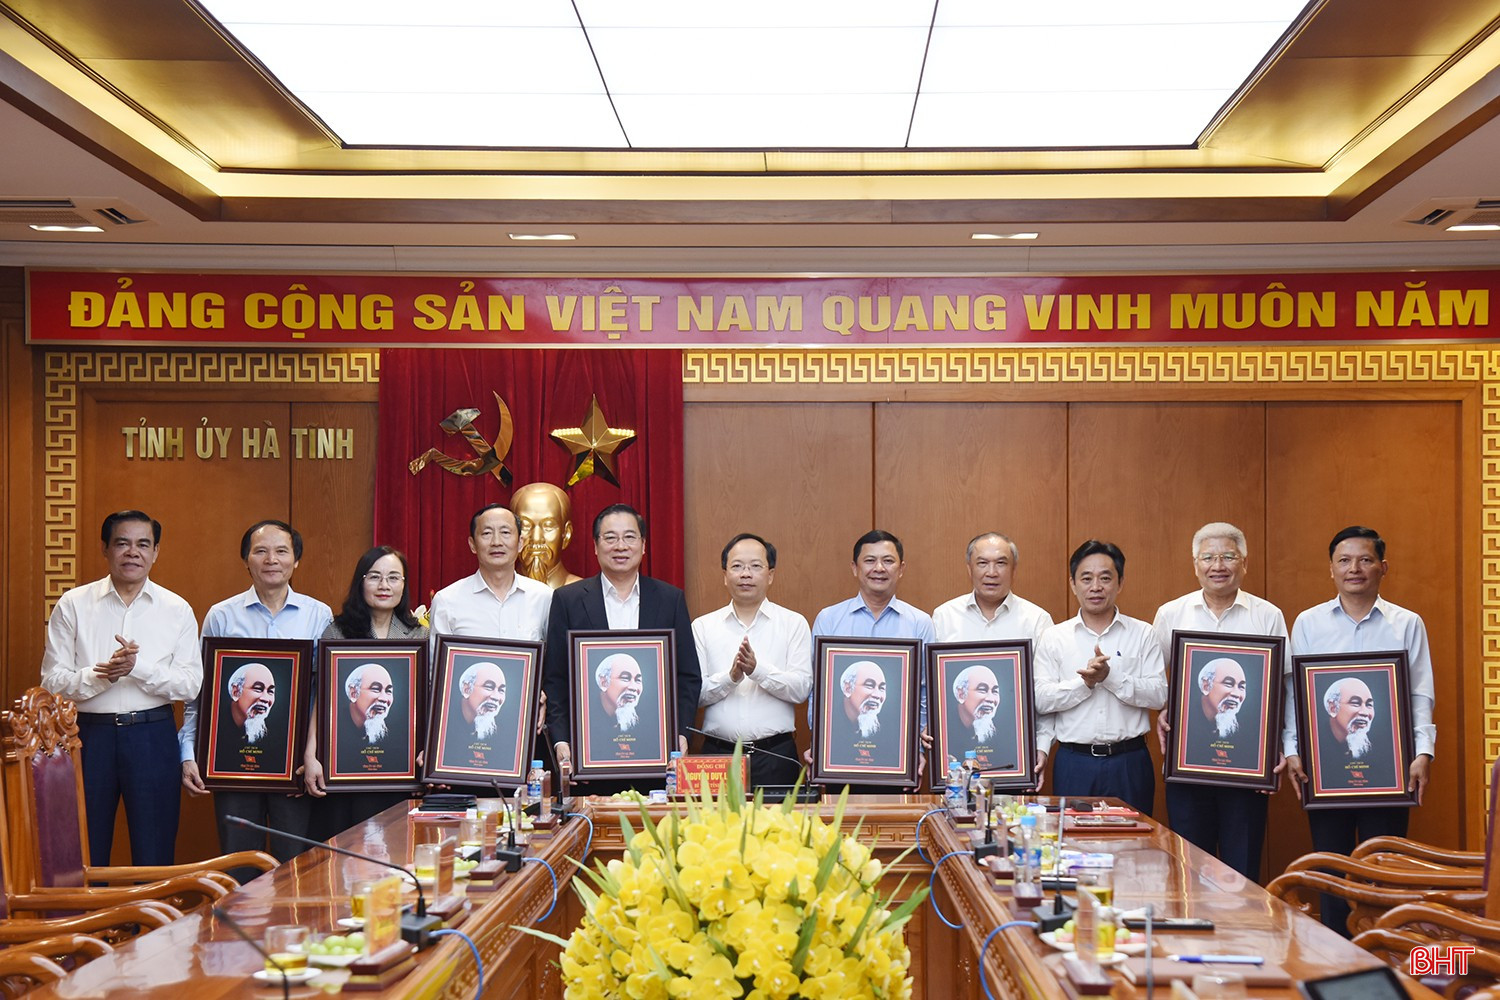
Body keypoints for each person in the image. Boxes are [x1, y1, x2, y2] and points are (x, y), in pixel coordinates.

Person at [1285, 525, 1435, 935]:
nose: (1355, 568)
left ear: (1383, 567)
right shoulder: (1309, 623)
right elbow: (1296, 695)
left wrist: (1423, 752)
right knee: (1330, 864)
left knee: (1384, 864)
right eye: (1345, 560)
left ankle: (1384, 945)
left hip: (1391, 768)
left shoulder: (1407, 623)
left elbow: (1420, 693)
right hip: (1324, 768)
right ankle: (1337, 950)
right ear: (1331, 569)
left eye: (1365, 560)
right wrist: (1292, 749)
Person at [40, 510, 202, 866]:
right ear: (105, 548)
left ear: (155, 551)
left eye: (143, 544)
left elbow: (190, 684)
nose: (133, 552)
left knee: (155, 849)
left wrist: (136, 669)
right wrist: (104, 676)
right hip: (87, 737)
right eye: (122, 543)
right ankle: (91, 907)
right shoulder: (74, 604)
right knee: (85, 849)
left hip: (152, 735)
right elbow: (52, 682)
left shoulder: (177, 609)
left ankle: (153, 908)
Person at [180, 519, 332, 870]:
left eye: (281, 551)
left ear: (296, 560)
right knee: (239, 866)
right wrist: (188, 752)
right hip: (232, 766)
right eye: (260, 551)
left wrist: (315, 754)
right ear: (246, 560)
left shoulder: (318, 615)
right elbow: (200, 693)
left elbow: (323, 695)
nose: (271, 560)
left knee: (295, 867)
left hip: (294, 768)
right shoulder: (222, 615)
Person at [1152, 521, 1288, 880]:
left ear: (1244, 562)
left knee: (1241, 874)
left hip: (1247, 769)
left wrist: (1278, 745)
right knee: (1187, 868)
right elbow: (1155, 680)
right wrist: (1164, 710)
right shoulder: (1171, 614)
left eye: (1228, 556)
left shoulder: (1267, 615)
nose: (1218, 566)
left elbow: (1282, 687)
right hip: (1187, 764)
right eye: (1208, 557)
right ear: (1195, 564)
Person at [543, 503, 700, 789]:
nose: (620, 546)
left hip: (655, 755)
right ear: (595, 546)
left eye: (629, 537)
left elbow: (687, 676)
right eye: (610, 538)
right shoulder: (568, 600)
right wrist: (561, 741)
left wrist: (679, 734)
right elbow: (555, 678)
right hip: (588, 757)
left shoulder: (670, 599)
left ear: (643, 545)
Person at [1034, 540, 1166, 815]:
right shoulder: (1054, 637)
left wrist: (1111, 677)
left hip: (1130, 762)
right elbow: (1041, 700)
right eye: (1086, 578)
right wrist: (1085, 683)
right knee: (1074, 841)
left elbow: (1158, 695)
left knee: (1135, 841)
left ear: (1120, 583)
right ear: (1073, 584)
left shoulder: (1143, 633)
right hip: (1074, 763)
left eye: (1105, 578)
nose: (1096, 586)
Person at [315, 546, 428, 836]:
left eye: (393, 578)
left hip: (400, 770)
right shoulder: (337, 632)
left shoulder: (419, 635)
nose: (384, 585)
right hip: (344, 770)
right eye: (375, 576)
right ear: (360, 582)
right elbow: (322, 699)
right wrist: (310, 754)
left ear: (403, 585)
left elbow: (428, 702)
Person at [810, 530, 935, 788]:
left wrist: (916, 748)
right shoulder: (829, 619)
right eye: (869, 561)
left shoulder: (920, 623)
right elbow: (818, 690)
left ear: (901, 569)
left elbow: (925, 692)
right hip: (838, 756)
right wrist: (820, 743)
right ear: (854, 568)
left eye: (888, 561)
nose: (879, 568)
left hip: (899, 758)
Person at [692, 533, 812, 788]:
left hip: (775, 756)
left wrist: (758, 671)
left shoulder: (793, 623)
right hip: (718, 757)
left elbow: (801, 689)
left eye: (755, 566)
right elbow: (695, 694)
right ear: (725, 576)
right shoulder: (703, 627)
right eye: (737, 566)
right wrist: (731, 678)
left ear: (770, 575)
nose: (746, 574)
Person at [932, 531, 1054, 779]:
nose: (992, 572)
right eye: (982, 563)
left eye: (1001, 563)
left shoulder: (1037, 620)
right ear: (969, 568)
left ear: (1013, 569)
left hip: (1017, 756)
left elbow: (1045, 692)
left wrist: (1042, 746)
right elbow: (933, 692)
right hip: (954, 760)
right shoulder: (944, 617)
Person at [429, 503, 554, 643]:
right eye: (487, 533)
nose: (496, 542)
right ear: (472, 544)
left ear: (520, 543)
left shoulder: (544, 598)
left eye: (505, 532)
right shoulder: (447, 601)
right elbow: (438, 657)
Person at [1315, 675, 1397, 791]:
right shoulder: (1315, 750)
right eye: (1355, 703)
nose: (1365, 712)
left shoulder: (1384, 751)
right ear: (1332, 708)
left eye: (1369, 705)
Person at [211, 662, 288, 777]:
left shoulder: (279, 737)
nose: (266, 699)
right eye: (258, 689)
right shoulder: (214, 731)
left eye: (270, 691)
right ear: (236, 692)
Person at [943, 663, 1023, 774]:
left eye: (995, 691)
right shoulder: (944, 732)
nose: (991, 699)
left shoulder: (1007, 735)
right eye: (982, 690)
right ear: (961, 694)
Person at [586, 652, 663, 762]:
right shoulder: (586, 725)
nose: (634, 687)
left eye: (638, 680)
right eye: (625, 678)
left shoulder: (650, 727)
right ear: (603, 682)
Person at [824, 659, 900, 768]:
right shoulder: (827, 729)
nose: (877, 695)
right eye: (869, 685)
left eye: (882, 688)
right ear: (847, 688)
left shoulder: (892, 734)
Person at [512, 482, 584, 589]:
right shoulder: (496, 591)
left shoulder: (582, 593)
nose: (536, 538)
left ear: (566, 534)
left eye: (548, 526)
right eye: (525, 525)